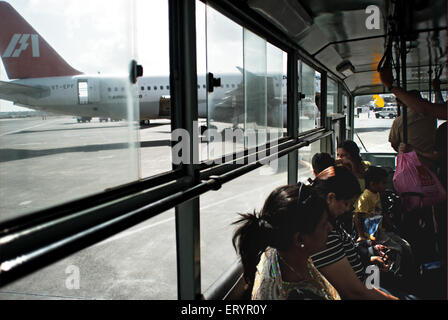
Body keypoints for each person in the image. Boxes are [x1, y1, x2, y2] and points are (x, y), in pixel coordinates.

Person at [232, 183, 339, 300]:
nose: (330, 228)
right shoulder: (298, 295)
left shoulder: (277, 253)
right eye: (324, 225)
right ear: (299, 240)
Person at [310, 166, 399, 299]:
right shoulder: (324, 236)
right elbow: (354, 291)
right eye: (346, 203)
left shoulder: (332, 223)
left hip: (365, 279)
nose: (347, 210)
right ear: (331, 198)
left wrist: (369, 257)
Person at [388, 92, 437, 170]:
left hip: (409, 165)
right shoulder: (432, 117)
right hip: (429, 164)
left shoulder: (400, 121)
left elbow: (394, 143)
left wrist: (404, 149)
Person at [379, 67, 447, 120]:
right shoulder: (431, 117)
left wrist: (389, 86)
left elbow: (426, 109)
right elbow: (439, 107)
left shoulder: (400, 121)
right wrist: (437, 89)